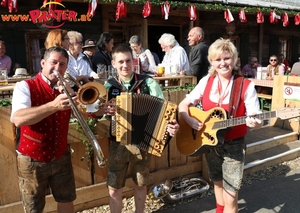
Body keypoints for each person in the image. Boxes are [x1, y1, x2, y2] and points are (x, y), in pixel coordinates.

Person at [178, 38, 262, 213]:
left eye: (227, 58)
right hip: (210, 143)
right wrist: (190, 120)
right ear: (211, 61)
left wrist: (255, 122)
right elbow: (183, 105)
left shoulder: (246, 85)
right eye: (218, 59)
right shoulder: (206, 82)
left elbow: (256, 118)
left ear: (235, 59)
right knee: (217, 183)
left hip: (234, 146)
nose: (223, 63)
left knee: (231, 194)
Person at [102, 44, 180, 213]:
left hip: (143, 142)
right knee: (114, 188)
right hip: (118, 144)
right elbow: (98, 114)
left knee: (140, 184)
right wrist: (104, 111)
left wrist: (171, 125)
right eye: (120, 61)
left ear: (134, 61)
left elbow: (164, 110)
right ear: (113, 63)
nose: (125, 65)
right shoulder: (109, 86)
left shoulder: (147, 82)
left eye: (128, 60)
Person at [10, 46, 76, 213]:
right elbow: (18, 119)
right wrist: (54, 105)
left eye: (62, 65)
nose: (57, 68)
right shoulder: (24, 86)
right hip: (32, 160)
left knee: (67, 201)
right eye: (53, 63)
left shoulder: (65, 88)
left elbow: (87, 114)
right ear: (43, 63)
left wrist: (74, 95)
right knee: (34, 209)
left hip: (61, 155)